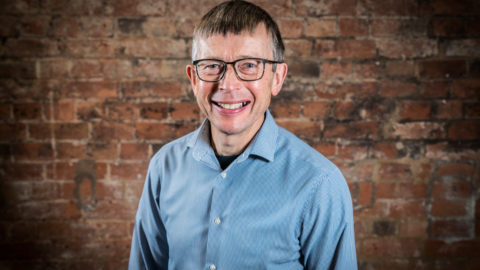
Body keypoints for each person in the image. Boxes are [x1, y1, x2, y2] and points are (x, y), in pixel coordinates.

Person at [128, 1, 357, 269]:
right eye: (212, 66)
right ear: (193, 79)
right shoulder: (163, 168)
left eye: (249, 65)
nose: (227, 84)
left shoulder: (319, 184)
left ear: (277, 78)